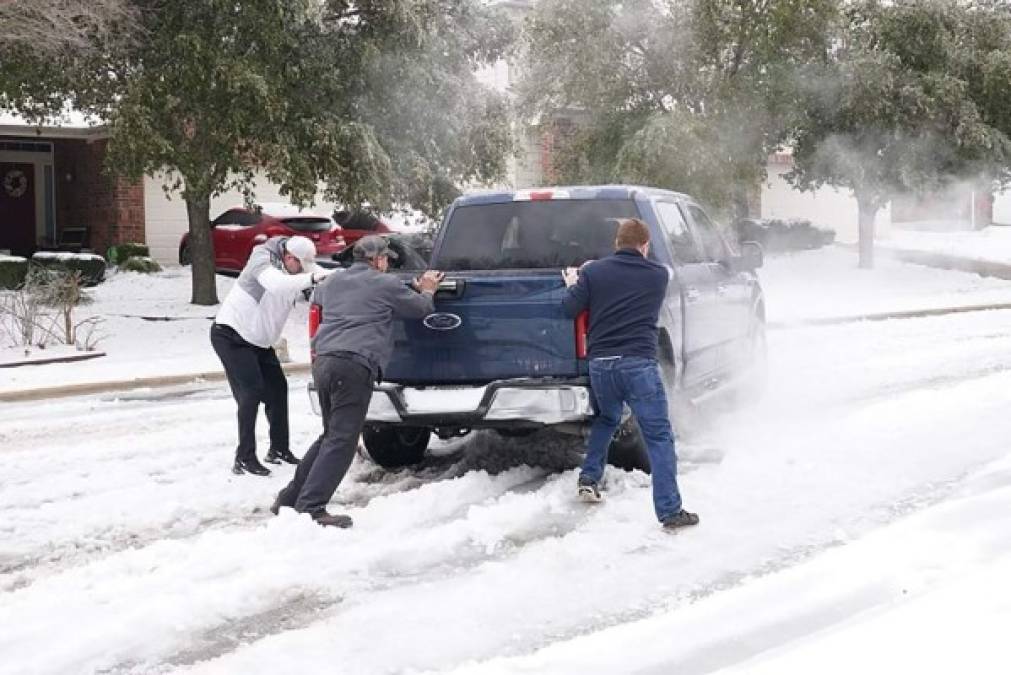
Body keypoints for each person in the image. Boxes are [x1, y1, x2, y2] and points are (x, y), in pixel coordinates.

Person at [271, 235, 445, 527]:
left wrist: (405, 288)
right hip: (353, 365)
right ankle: (311, 508)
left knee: (331, 435)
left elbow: (353, 296)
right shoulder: (385, 284)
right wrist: (426, 290)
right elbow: (420, 310)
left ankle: (289, 498)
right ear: (376, 260)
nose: (388, 263)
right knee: (343, 441)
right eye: (386, 259)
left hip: (324, 362)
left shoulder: (331, 283)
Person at [561, 218, 699, 531]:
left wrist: (574, 282)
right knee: (659, 436)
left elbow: (569, 309)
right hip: (638, 365)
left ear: (616, 243)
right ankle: (670, 511)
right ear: (645, 245)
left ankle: (589, 478)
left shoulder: (593, 273)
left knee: (607, 419)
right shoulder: (657, 275)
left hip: (601, 366)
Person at [211, 235, 329, 476]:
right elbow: (277, 284)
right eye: (300, 267)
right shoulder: (262, 259)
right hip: (232, 336)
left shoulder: (296, 263)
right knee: (251, 392)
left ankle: (278, 449)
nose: (302, 272)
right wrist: (311, 278)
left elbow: (315, 275)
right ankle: (244, 457)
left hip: (260, 342)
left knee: (278, 390)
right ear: (288, 257)